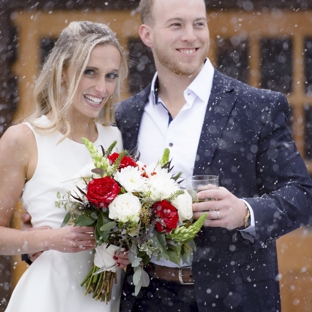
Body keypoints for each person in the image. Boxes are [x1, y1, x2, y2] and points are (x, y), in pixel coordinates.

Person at [114, 0, 312, 311]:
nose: (191, 36)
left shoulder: (256, 108)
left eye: (199, 24)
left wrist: (245, 212)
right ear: (147, 34)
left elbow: (302, 195)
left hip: (235, 298)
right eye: (176, 25)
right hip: (146, 297)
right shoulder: (126, 115)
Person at [1, 20, 129, 312]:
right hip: (49, 297)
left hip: (105, 298)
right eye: (90, 72)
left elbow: (116, 227)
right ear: (62, 72)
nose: (102, 87)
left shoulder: (114, 139)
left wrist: (125, 250)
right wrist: (45, 239)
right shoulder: (24, 138)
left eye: (111, 76)